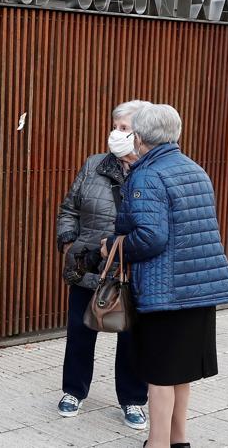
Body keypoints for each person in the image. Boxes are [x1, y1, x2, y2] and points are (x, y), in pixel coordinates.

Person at [106, 103, 228, 448]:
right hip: (198, 288)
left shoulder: (148, 175)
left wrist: (112, 245)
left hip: (165, 292)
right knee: (181, 373)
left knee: (160, 375)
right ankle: (179, 440)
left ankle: (157, 443)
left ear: (139, 136)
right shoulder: (194, 169)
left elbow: (151, 237)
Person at [54, 100, 150, 429]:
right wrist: (68, 240)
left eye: (124, 128)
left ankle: (134, 399)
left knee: (133, 338)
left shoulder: (152, 172)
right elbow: (69, 208)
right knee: (80, 333)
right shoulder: (93, 164)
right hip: (88, 264)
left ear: (141, 134)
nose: (115, 133)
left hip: (131, 268)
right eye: (115, 126)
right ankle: (73, 391)